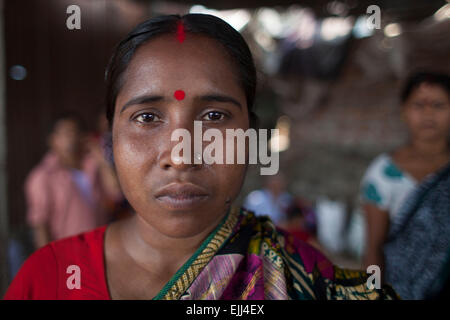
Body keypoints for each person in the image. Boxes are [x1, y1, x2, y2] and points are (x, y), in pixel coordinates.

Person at [4, 14, 397, 300]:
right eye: (147, 117)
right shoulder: (48, 279)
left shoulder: (302, 278)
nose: (181, 156)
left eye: (214, 116)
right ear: (110, 137)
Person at [360, 71, 450, 299]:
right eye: (419, 105)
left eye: (438, 105)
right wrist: (372, 294)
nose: (428, 113)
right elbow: (373, 249)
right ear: (404, 112)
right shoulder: (383, 174)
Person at [24, 114, 122, 249]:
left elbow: (116, 193)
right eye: (66, 133)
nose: (72, 137)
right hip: (67, 252)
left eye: (76, 131)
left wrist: (101, 160)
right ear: (53, 140)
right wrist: (48, 261)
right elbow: (40, 225)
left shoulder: (93, 166)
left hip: (100, 247)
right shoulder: (42, 176)